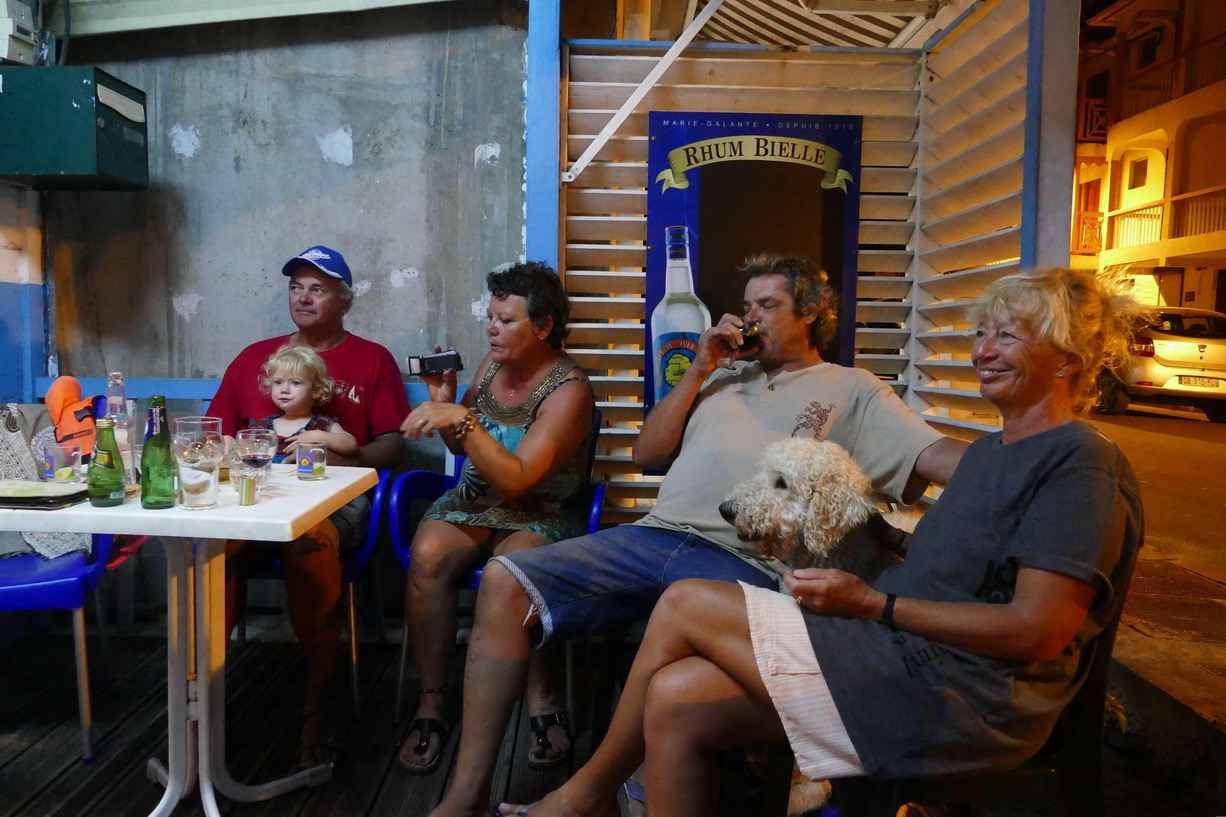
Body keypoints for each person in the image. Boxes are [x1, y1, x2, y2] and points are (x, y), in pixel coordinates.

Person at [498, 266, 1147, 817]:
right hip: (896, 654)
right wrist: (850, 543)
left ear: (1070, 358)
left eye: (1008, 335)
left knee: (687, 601)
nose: (983, 349)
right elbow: (944, 562)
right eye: (981, 333)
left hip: (960, 696)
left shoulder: (1082, 461)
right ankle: (592, 793)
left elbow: (1038, 630)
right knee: (675, 699)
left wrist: (875, 604)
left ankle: (584, 795)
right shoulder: (989, 455)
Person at [426, 253, 967, 817]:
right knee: (504, 579)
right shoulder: (720, 376)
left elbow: (937, 456)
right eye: (747, 305)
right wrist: (702, 369)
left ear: (809, 312)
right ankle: (466, 796)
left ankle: (603, 796)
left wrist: (1028, 461)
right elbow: (648, 452)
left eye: (769, 305)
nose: (750, 316)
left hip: (747, 563)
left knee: (681, 655)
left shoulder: (854, 389)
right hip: (653, 536)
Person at [209, 244, 410, 768]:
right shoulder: (254, 357)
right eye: (296, 286)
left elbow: (393, 444)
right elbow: (213, 434)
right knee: (209, 551)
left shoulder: (373, 359)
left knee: (307, 546)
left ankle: (317, 706)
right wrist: (225, 449)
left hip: (333, 497)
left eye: (317, 288)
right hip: (254, 498)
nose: (304, 296)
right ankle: (201, 699)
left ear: (344, 300)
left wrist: (346, 452)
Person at [396, 261, 595, 775]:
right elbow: (468, 450)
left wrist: (459, 418)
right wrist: (445, 406)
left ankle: (542, 696)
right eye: (491, 317)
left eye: (506, 321)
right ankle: (433, 701)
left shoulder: (568, 390)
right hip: (476, 498)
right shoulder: (489, 366)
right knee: (426, 555)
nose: (492, 329)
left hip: (540, 508)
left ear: (544, 326)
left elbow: (519, 479)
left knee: (512, 573)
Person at [248, 345, 357, 462]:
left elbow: (350, 444)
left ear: (315, 391)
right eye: (278, 382)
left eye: (295, 383)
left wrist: (316, 436)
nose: (284, 389)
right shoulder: (261, 427)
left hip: (306, 477)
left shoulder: (320, 424)